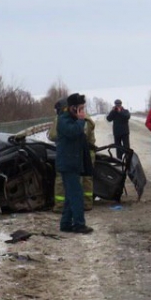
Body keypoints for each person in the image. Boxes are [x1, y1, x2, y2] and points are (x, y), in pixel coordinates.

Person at [56, 93, 94, 234]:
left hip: (73, 163)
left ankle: (65, 223)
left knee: (70, 196)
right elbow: (73, 132)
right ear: (73, 108)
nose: (83, 111)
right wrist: (81, 120)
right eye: (80, 108)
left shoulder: (71, 120)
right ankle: (79, 224)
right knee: (77, 195)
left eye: (83, 108)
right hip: (68, 164)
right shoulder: (64, 121)